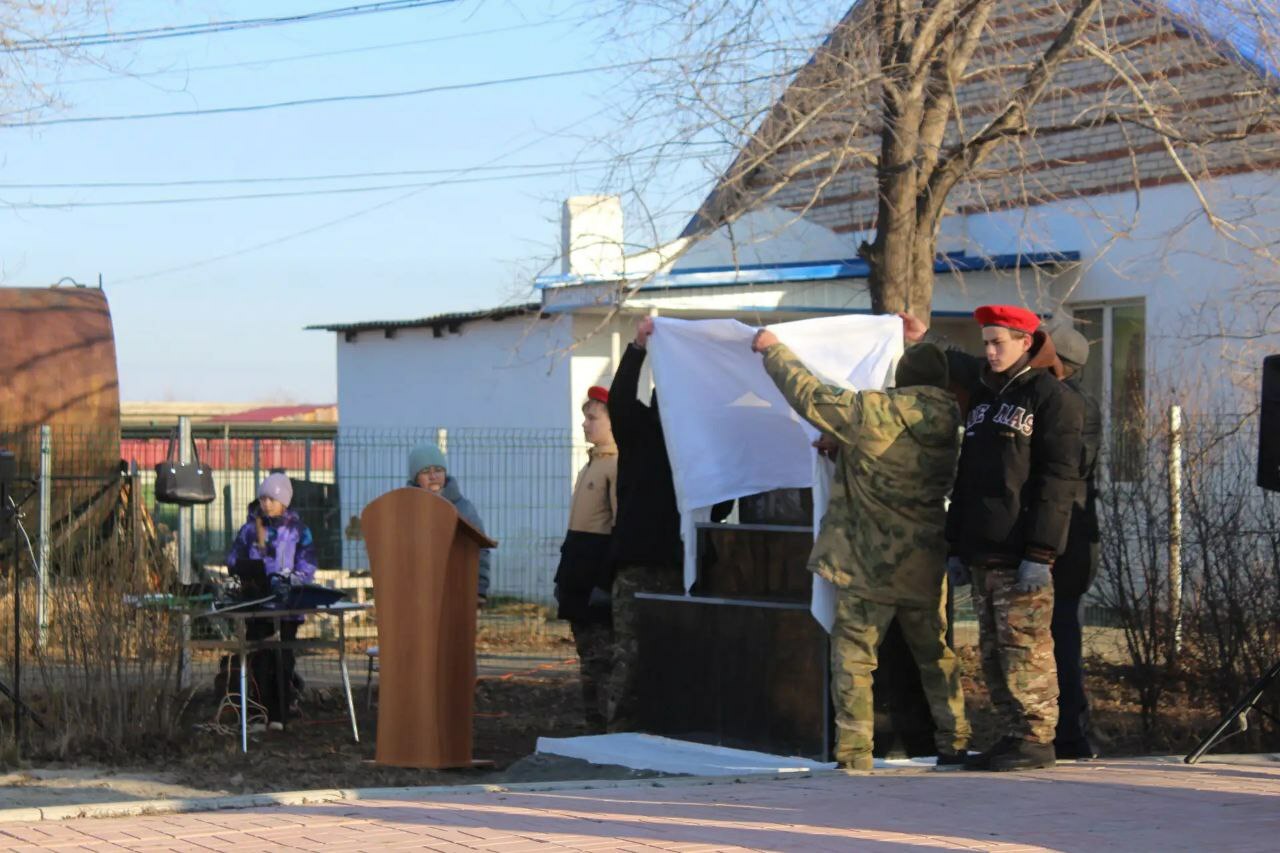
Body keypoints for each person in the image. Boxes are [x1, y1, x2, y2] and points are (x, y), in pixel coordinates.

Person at [752, 328, 971, 771]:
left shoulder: (874, 411)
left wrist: (773, 351)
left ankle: (855, 754)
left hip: (868, 563)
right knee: (937, 657)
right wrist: (847, 455)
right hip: (924, 563)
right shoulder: (954, 424)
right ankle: (956, 741)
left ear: (902, 378)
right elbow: (899, 467)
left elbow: (810, 395)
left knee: (854, 658)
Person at [906, 305, 1084, 772]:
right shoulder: (985, 398)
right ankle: (1011, 735)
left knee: (1025, 650)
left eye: (998, 342)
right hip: (984, 549)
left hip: (1023, 551)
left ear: (1027, 343)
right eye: (985, 342)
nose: (989, 350)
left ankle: (1037, 736)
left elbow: (1058, 481)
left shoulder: (1052, 398)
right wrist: (957, 544)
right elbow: (968, 477)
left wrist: (1041, 553)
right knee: (992, 652)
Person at [604, 316, 684, 732]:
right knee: (630, 656)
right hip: (641, 562)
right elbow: (618, 399)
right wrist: (637, 349)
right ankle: (620, 730)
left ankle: (660, 725)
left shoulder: (692, 442)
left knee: (671, 656)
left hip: (677, 563)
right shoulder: (640, 432)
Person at [1045, 321, 1102, 760]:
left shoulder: (1075, 407)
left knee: (1064, 635)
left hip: (1069, 543)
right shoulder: (1064, 400)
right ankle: (1066, 732)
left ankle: (1070, 734)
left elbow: (1067, 471)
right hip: (1067, 539)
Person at [226, 472, 317, 731]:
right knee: (260, 658)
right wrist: (248, 570)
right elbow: (233, 559)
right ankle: (259, 713)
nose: (266, 503)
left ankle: (280, 714)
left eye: (272, 498)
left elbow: (308, 564)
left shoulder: (299, 531)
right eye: (263, 498)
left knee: (283, 659)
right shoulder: (249, 529)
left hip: (288, 606)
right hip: (257, 603)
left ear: (285, 500)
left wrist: (292, 580)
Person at [554, 385, 619, 732]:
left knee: (602, 662)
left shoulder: (615, 465)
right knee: (587, 663)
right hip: (577, 577)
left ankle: (607, 731)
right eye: (584, 417)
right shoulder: (591, 465)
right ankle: (593, 728)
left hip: (596, 580)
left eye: (592, 418)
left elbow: (617, 527)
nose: (585, 424)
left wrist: (604, 581)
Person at [407, 444, 492, 604]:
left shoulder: (464, 509)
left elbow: (480, 549)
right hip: (416, 596)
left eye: (438, 470)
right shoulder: (405, 508)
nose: (433, 476)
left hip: (457, 592)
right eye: (425, 472)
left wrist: (479, 589)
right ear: (415, 478)